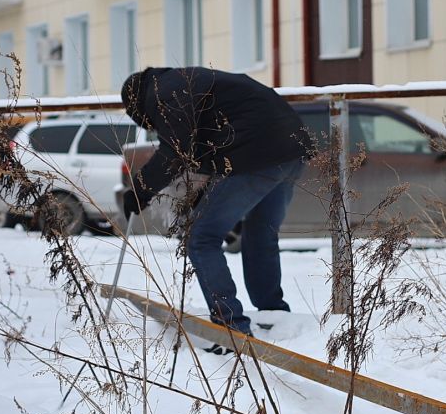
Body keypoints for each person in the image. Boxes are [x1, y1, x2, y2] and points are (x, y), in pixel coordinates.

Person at [119, 66, 312, 339]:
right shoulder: (185, 81)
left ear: (138, 107)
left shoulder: (163, 94)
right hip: (291, 149)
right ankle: (273, 313)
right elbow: (211, 140)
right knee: (260, 232)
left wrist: (140, 190)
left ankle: (231, 326)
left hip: (258, 154)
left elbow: (175, 149)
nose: (152, 126)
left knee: (201, 238)